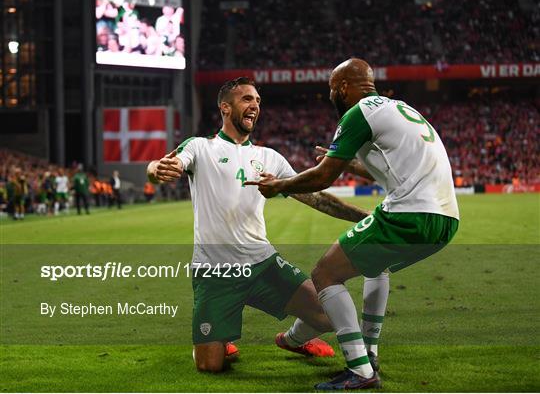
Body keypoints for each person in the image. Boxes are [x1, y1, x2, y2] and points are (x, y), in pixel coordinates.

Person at [247, 58, 460, 390]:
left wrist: (281, 186)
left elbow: (322, 177)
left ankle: (360, 369)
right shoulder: (399, 108)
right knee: (378, 266)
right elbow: (392, 163)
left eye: (332, 89)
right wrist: (348, 164)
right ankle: (369, 352)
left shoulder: (358, 113)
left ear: (343, 88)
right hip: (446, 220)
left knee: (325, 274)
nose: (332, 96)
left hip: (411, 213)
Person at [147, 77, 373, 373]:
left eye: (257, 101)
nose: (254, 106)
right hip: (215, 273)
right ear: (225, 108)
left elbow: (317, 199)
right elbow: (163, 166)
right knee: (208, 365)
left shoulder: (269, 158)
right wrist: (156, 169)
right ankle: (222, 338)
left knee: (332, 317)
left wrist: (368, 217)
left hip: (263, 265)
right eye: (246, 100)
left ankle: (293, 340)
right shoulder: (201, 148)